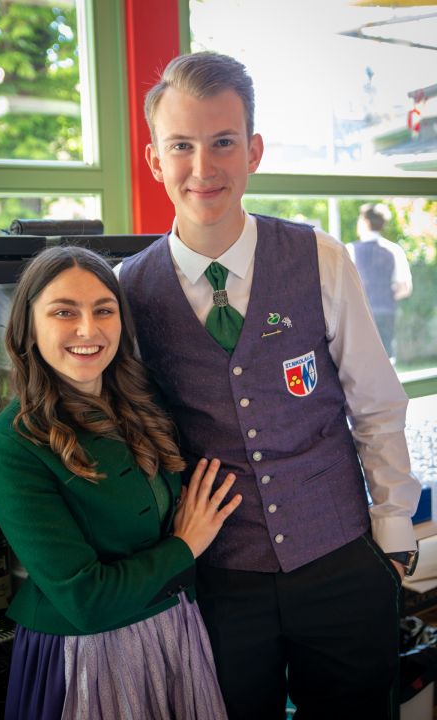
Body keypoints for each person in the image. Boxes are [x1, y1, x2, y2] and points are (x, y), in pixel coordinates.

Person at [116, 52, 421, 720]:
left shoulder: (320, 258)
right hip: (216, 579)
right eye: (182, 146)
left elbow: (374, 402)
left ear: (253, 151)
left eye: (223, 142)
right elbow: (96, 412)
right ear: (155, 160)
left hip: (341, 557)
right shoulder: (126, 290)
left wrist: (394, 530)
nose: (203, 167)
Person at [0, 245, 242, 720]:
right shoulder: (10, 444)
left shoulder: (144, 401)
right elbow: (86, 601)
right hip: (88, 657)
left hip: (176, 629)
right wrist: (186, 544)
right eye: (64, 312)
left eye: (104, 310)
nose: (88, 329)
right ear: (28, 327)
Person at [347, 202, 413, 360]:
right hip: (387, 312)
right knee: (386, 359)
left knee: (362, 359)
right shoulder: (394, 250)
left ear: (365, 222)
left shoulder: (350, 250)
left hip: (361, 314)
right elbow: (405, 288)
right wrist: (385, 294)